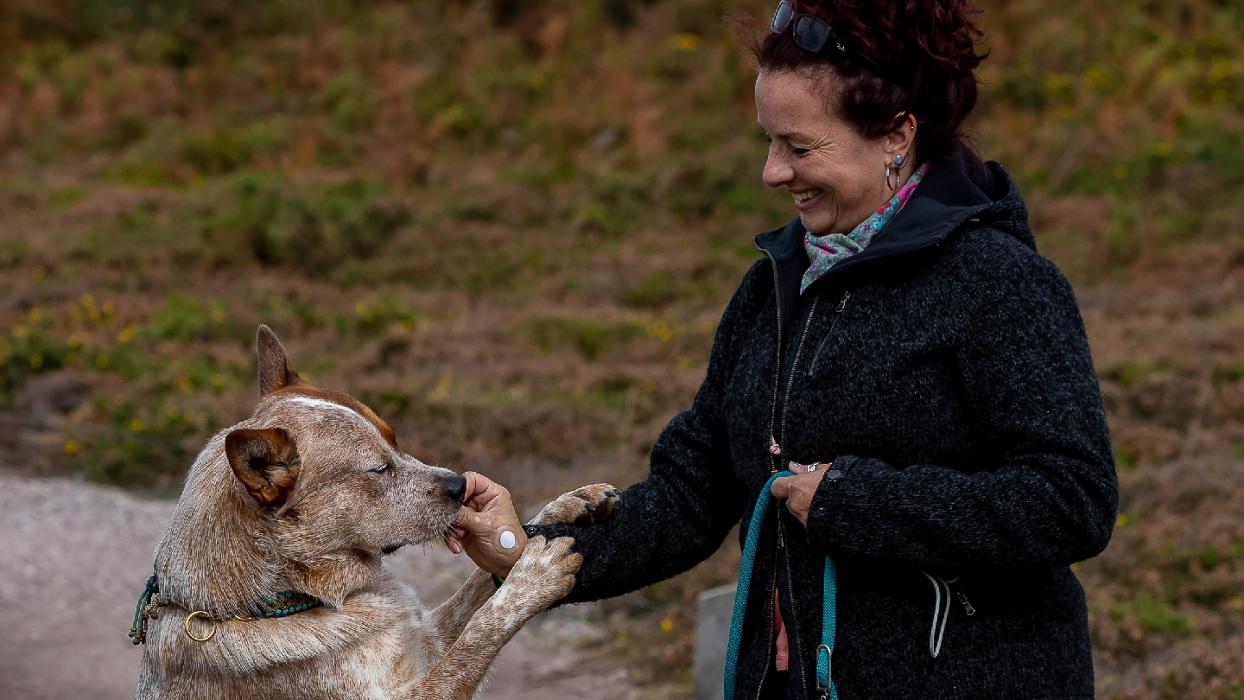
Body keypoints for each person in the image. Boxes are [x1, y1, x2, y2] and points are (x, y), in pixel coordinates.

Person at [448, 0, 1118, 697]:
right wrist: (521, 553)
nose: (772, 172)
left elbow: (1072, 499)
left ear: (896, 134)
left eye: (799, 148)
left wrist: (858, 501)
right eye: (768, 142)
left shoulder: (1001, 285)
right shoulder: (776, 284)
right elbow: (691, 492)